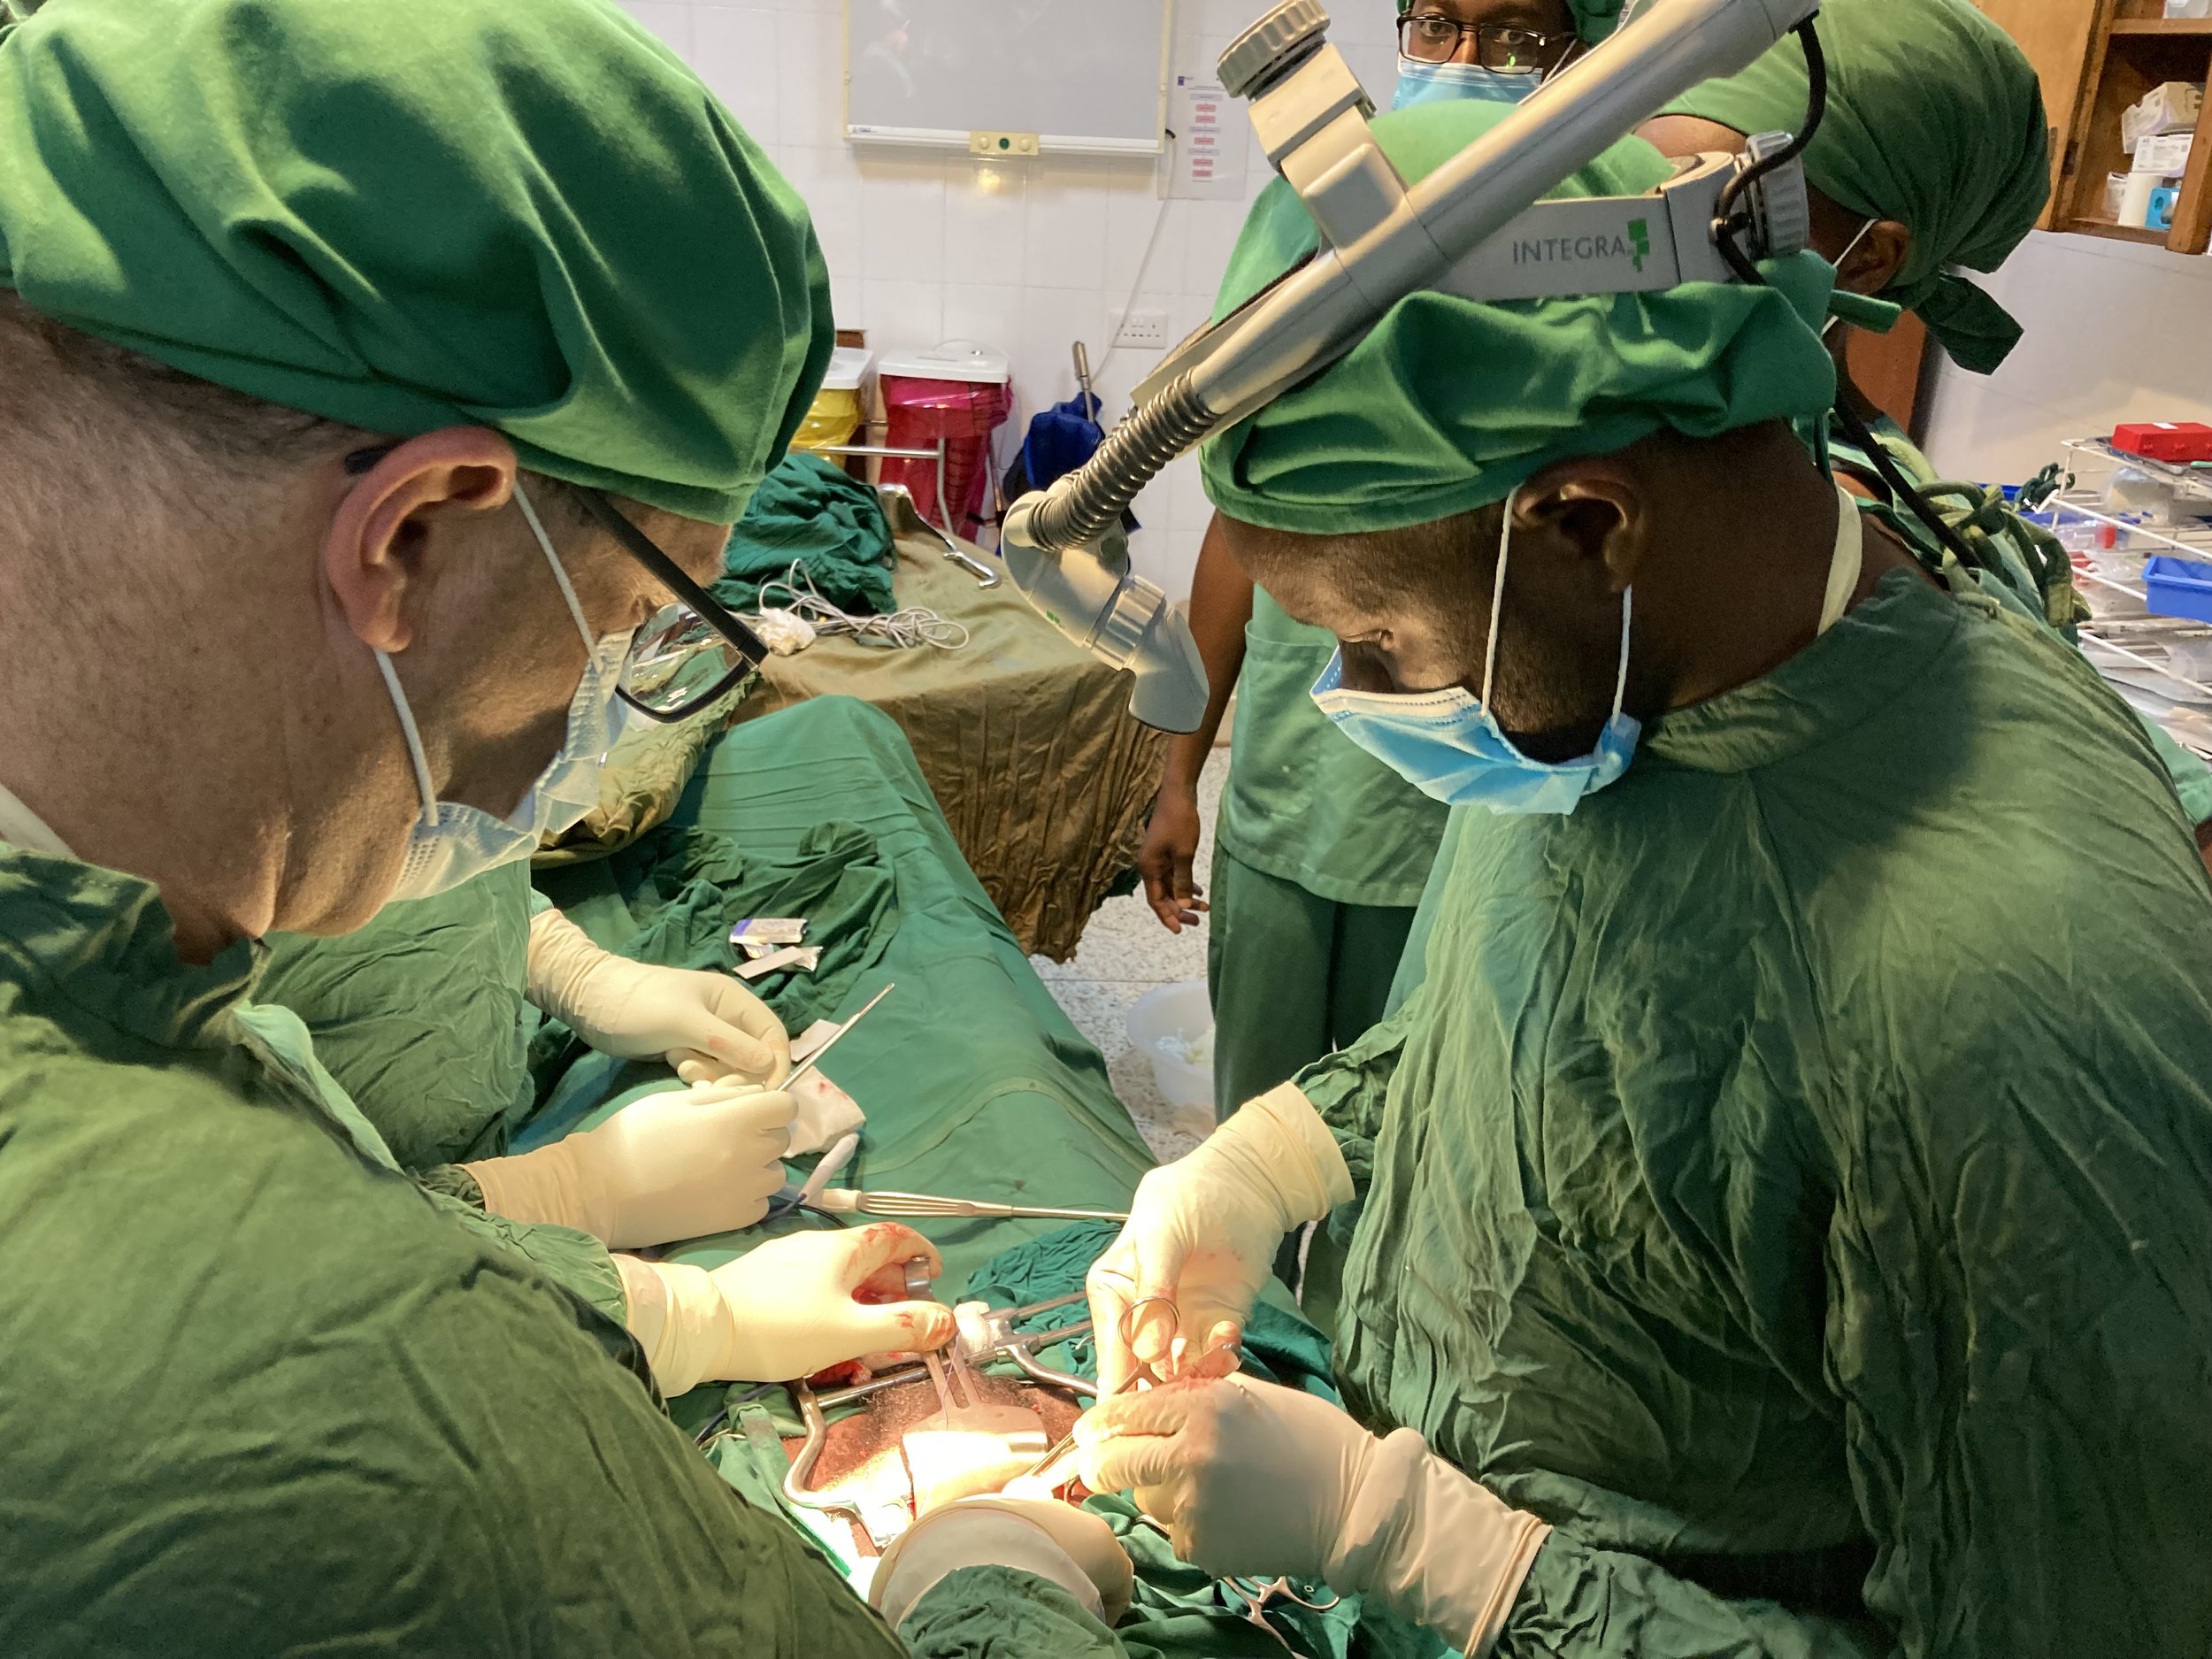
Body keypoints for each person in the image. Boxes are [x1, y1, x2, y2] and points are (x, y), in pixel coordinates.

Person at [0, 2, 1128, 1651]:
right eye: (633, 629)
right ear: (409, 536)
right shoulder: (315, 1368)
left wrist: (593, 1035)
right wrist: (991, 1570)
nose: (597, 726)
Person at [1078, 99, 2212, 1655]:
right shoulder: (1624, 686)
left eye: (1377, 638)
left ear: (1586, 522)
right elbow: (1562, 1042)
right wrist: (1273, 1157)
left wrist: (1448, 1555)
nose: (1362, 694)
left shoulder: (2011, 1002)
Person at [1136, 0, 1625, 1130]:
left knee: (1399, 1137)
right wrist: (1178, 776)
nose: (1466, 62)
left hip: (1468, 824)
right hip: (1287, 802)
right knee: (1256, 1129)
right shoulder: (1318, 229)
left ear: (1584, 49)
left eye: (1517, 36)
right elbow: (1237, 526)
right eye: (1438, 25)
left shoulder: (1599, 254)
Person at [1639, 0, 2212, 849]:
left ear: (1868, 258)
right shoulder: (1746, 443)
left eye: (1701, 215)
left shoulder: (1815, 517)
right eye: (1630, 188)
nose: (1635, 246)